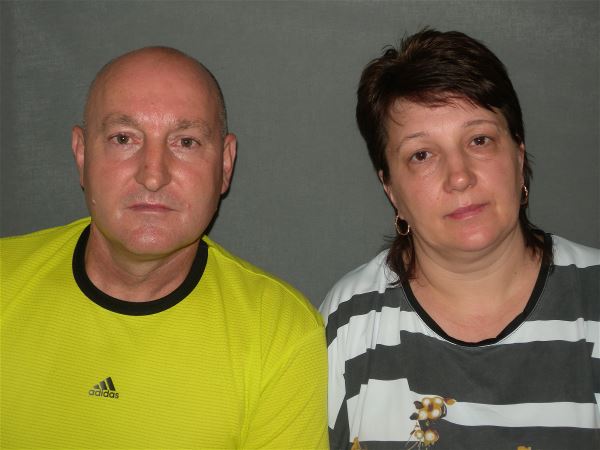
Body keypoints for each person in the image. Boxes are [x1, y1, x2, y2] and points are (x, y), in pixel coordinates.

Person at [1, 47, 328, 449]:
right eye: (124, 139)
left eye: (186, 142)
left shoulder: (279, 334)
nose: (153, 175)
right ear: (82, 154)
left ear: (225, 164)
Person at [320, 29, 600, 450]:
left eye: (479, 140)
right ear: (391, 189)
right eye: (422, 155)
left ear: (518, 155)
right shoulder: (348, 322)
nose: (460, 176)